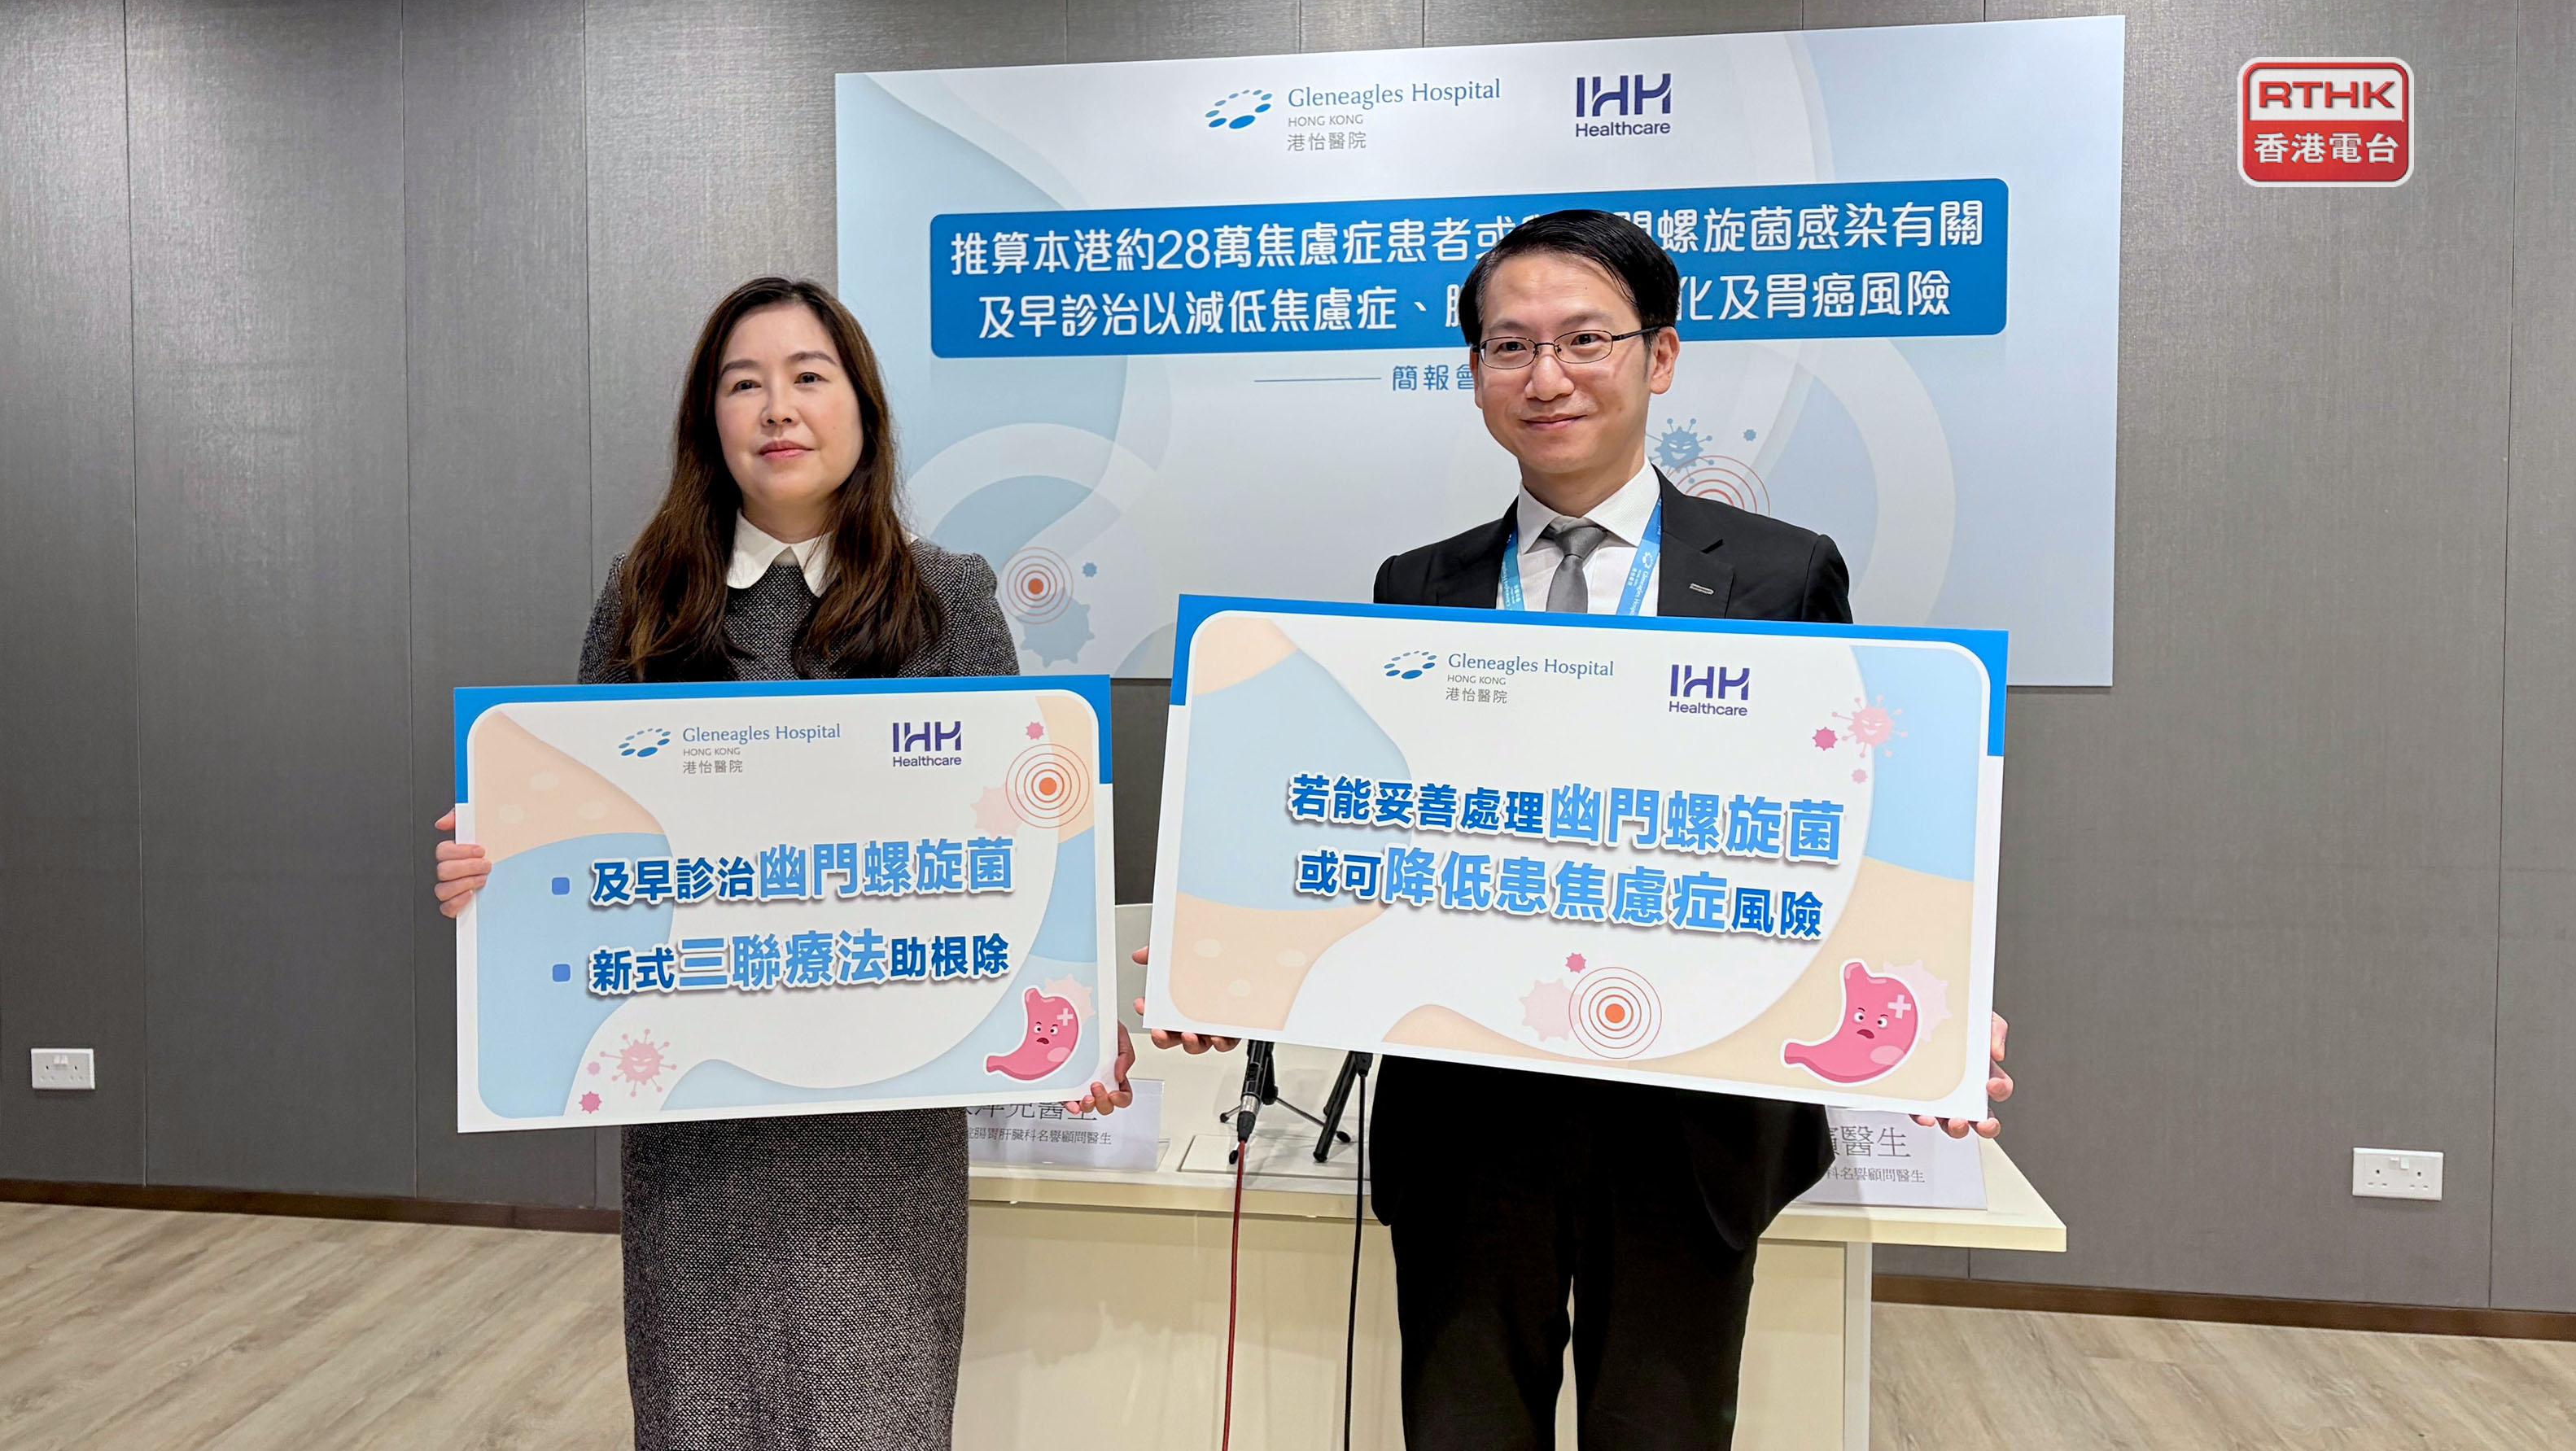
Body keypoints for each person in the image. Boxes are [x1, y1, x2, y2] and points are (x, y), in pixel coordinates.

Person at [1148, 210, 2012, 1450]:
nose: (1545, 376)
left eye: (1583, 340)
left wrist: (1934, 998)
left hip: (1689, 1109)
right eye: (1509, 347)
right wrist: (1229, 961)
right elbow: (1374, 829)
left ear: (1659, 356)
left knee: (1660, 1428)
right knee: (1460, 1425)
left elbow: (1846, 819)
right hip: (1469, 1099)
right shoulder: (1416, 586)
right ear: (1474, 376)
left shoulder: (1779, 574)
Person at [429, 276, 1128, 1450]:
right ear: (708, 420)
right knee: (704, 1412)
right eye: (742, 384)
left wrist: (1080, 1003)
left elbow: (1021, 842)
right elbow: (583, 841)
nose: (777, 408)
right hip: (697, 1119)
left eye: (809, 376)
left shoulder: (947, 597)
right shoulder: (648, 595)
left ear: (862, 406)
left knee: (879, 1413)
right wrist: (496, 870)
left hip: (886, 1118)